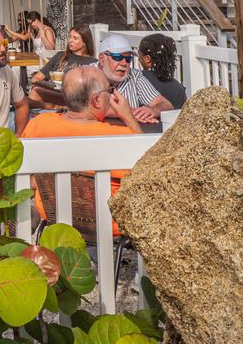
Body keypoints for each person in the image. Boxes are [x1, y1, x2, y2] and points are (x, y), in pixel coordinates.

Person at [20, 65, 142, 236]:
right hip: (107, 223)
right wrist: (128, 116)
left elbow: (28, 174)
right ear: (96, 101)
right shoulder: (119, 137)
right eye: (109, 90)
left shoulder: (38, 124)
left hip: (55, 218)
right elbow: (148, 167)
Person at [97, 33, 172, 123]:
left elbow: (166, 105)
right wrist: (127, 112)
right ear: (102, 59)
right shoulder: (86, 74)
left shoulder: (134, 76)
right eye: (117, 57)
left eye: (128, 59)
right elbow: (84, 108)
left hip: (131, 131)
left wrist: (153, 110)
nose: (124, 63)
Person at [28, 25, 97, 109]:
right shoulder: (60, 56)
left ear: (84, 42)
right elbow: (37, 77)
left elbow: (89, 91)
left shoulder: (92, 63)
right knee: (32, 94)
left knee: (33, 95)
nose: (70, 40)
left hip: (72, 98)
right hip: (52, 92)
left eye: (75, 38)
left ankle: (51, 108)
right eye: (70, 37)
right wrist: (36, 84)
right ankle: (52, 108)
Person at [138, 34, 187, 110]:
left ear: (147, 58)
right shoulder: (179, 88)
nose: (138, 59)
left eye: (139, 55)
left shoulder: (137, 80)